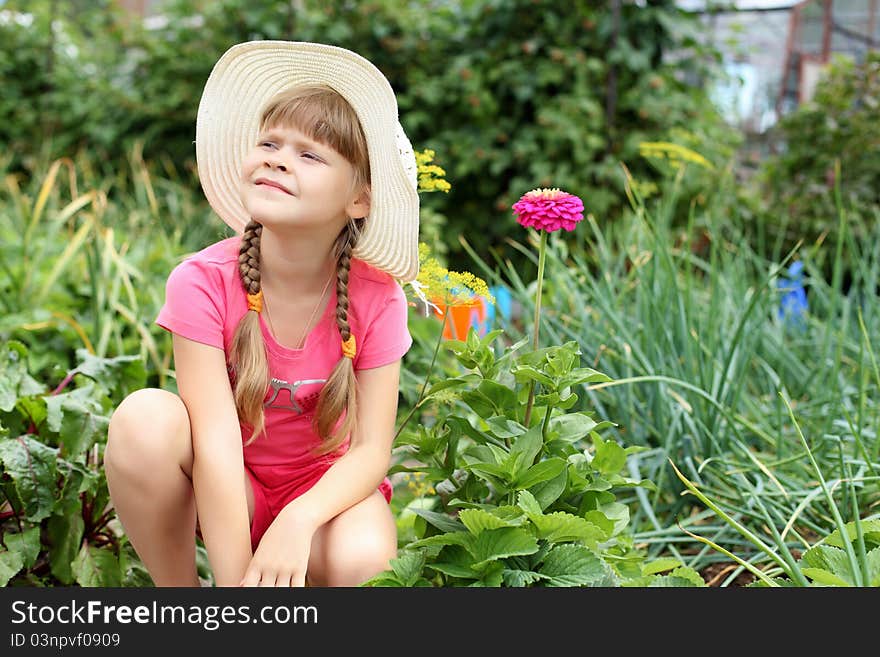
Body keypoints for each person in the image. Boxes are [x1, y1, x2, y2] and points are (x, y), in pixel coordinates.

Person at [104, 41, 420, 588]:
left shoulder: (378, 296)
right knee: (143, 420)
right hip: (230, 485)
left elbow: (371, 451)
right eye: (270, 142)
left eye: (310, 155)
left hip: (325, 500)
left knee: (364, 557)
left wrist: (298, 519)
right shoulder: (202, 282)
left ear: (360, 199)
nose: (277, 158)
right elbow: (217, 443)